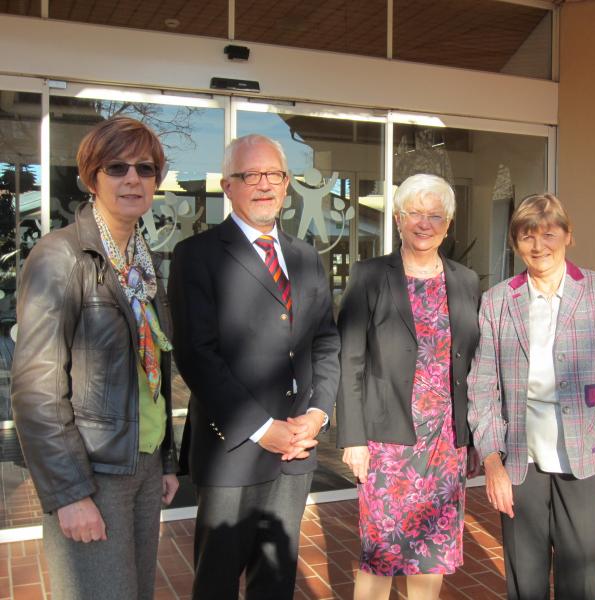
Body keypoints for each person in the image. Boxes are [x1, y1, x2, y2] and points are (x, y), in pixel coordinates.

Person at [11, 116, 179, 599]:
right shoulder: (60, 257)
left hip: (141, 464)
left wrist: (164, 460)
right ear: (92, 177)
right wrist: (69, 493)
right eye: (116, 167)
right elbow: (36, 389)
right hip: (93, 473)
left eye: (145, 169)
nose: (132, 179)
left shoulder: (140, 261)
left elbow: (152, 370)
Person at [168, 134, 340, 600]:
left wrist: (318, 415)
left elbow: (325, 341)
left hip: (296, 453)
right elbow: (196, 356)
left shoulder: (306, 257)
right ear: (228, 185)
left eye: (275, 175)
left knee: (275, 582)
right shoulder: (196, 256)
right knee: (218, 583)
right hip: (233, 453)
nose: (264, 185)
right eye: (250, 175)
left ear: (287, 184)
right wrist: (263, 428)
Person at [467, 193, 595, 600]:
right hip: (521, 461)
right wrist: (492, 462)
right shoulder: (498, 301)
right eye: (527, 236)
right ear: (515, 242)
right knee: (525, 575)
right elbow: (483, 386)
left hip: (586, 456)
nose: (538, 246)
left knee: (582, 572)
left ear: (568, 236)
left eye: (549, 234)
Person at [337, 174, 481, 600]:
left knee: (431, 554)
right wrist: (353, 438)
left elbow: (472, 363)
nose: (425, 222)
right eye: (415, 213)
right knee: (380, 553)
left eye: (435, 214)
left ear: (448, 223)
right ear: (398, 219)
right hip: (387, 442)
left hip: (446, 441)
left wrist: (471, 437)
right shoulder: (369, 275)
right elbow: (350, 359)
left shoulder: (466, 281)